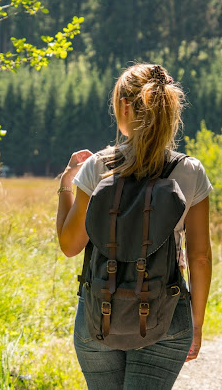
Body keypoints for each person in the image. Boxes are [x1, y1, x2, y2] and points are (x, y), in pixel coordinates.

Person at [55, 63, 212, 389]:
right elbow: (200, 258)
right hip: (166, 314)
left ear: (125, 107)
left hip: (100, 313)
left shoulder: (98, 166)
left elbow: (70, 246)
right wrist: (195, 324)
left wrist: (65, 185)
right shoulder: (190, 171)